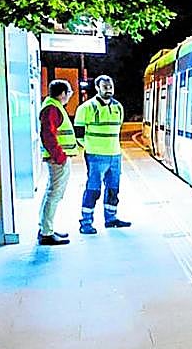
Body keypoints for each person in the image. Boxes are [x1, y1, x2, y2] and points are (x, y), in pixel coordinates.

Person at [75, 74, 131, 234]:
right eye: (105, 87)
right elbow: (79, 135)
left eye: (110, 86)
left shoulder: (118, 107)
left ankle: (111, 219)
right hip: (95, 156)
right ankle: (86, 223)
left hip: (115, 155)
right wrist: (92, 148)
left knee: (113, 189)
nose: (109, 90)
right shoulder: (85, 108)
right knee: (93, 190)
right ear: (97, 88)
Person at [37, 79, 77, 246]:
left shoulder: (52, 106)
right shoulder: (52, 108)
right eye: (69, 93)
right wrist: (60, 157)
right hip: (57, 159)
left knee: (51, 192)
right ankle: (47, 232)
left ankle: (46, 227)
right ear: (62, 94)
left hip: (57, 158)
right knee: (54, 194)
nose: (69, 96)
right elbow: (48, 136)